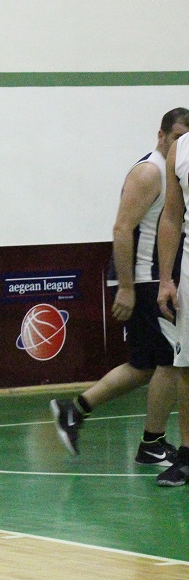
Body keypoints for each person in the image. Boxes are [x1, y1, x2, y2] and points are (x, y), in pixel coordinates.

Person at [51, 108, 189, 465]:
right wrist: (127, 287)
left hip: (152, 279)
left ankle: (75, 409)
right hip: (145, 280)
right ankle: (152, 443)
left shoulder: (173, 172)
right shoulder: (149, 172)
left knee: (144, 365)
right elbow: (121, 228)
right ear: (161, 136)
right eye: (177, 137)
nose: (181, 144)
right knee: (172, 362)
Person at [155, 108, 189, 487]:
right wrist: (166, 278)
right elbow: (171, 216)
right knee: (186, 364)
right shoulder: (179, 151)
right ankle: (188, 456)